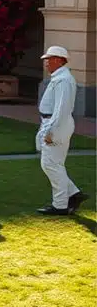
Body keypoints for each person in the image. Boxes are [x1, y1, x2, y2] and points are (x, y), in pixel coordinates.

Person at [35, 46, 89, 215]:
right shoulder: (60, 78)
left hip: (57, 124)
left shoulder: (63, 80)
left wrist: (51, 131)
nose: (46, 63)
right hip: (54, 123)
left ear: (59, 60)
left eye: (49, 59)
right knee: (53, 164)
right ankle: (73, 194)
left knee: (50, 164)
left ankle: (60, 204)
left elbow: (61, 109)